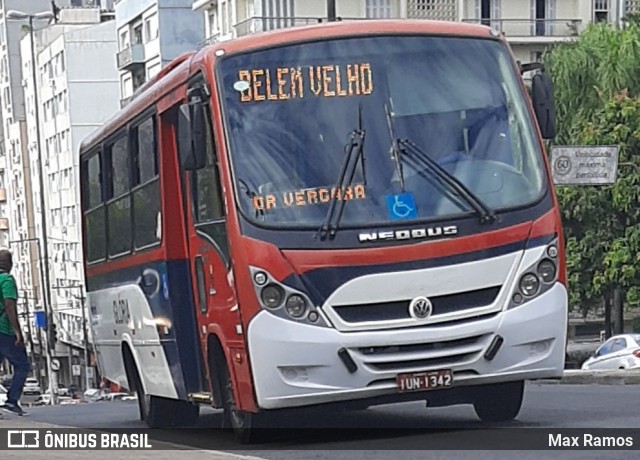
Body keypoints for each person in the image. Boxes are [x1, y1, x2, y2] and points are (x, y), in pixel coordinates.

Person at [0, 249, 29, 416]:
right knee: (22, 365)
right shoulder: (6, 280)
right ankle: (12, 401)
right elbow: (9, 305)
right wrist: (17, 331)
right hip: (3, 329)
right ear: (9, 264)